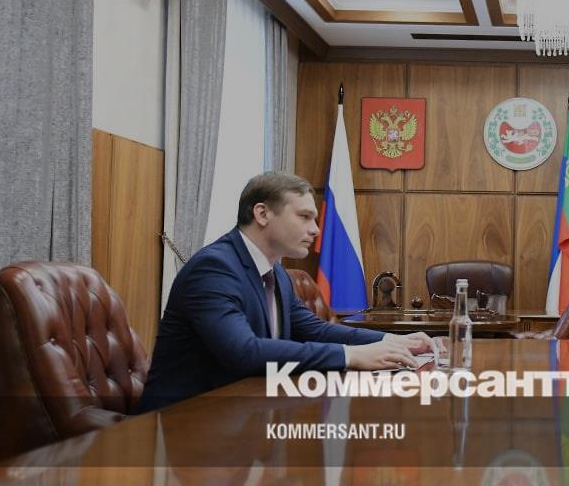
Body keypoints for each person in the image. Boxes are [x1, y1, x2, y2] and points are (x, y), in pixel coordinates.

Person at [140, 171, 436, 411]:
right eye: (305, 217)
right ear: (262, 213)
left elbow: (314, 330)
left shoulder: (276, 272)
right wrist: (351, 356)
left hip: (245, 414)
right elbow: (244, 352)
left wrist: (391, 340)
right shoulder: (215, 268)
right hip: (183, 422)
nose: (316, 230)